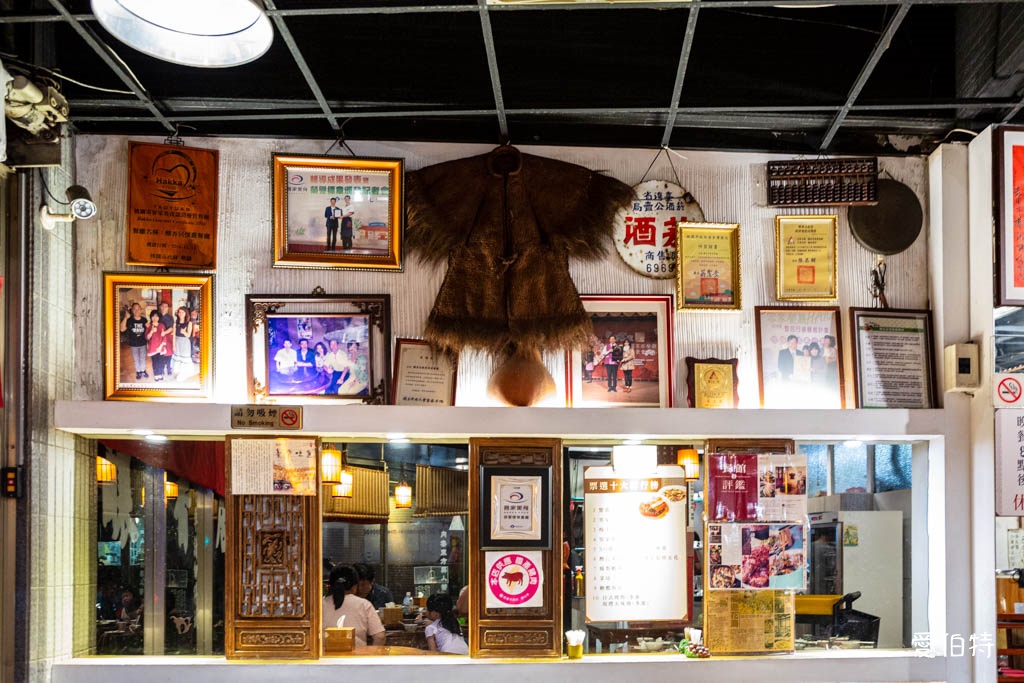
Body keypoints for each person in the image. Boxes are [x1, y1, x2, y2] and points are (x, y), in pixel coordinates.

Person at [321, 564, 386, 647]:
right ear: (355, 586)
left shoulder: (319, 605)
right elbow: (380, 637)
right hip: (356, 658)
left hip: (326, 659)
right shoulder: (363, 605)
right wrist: (371, 655)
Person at [119, 302, 149, 380]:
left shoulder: (144, 320)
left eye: (138, 309)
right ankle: (138, 371)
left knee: (142, 358)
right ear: (132, 310)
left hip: (143, 343)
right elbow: (122, 329)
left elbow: (148, 330)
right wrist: (125, 317)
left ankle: (143, 370)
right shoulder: (129, 320)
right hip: (133, 344)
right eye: (134, 309)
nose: (136, 310)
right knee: (136, 359)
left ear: (140, 310)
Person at [145, 310, 170, 382]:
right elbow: (147, 337)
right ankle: (156, 375)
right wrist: (151, 331)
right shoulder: (149, 326)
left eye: (156, 316)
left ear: (159, 317)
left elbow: (164, 337)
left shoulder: (162, 325)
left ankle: (160, 374)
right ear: (151, 317)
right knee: (155, 362)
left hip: (160, 348)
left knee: (161, 362)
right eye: (153, 316)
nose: (155, 318)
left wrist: (161, 346)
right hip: (152, 348)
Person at [171, 306, 195, 380]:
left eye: (182, 312)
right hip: (177, 342)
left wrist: (184, 332)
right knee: (178, 357)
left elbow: (188, 335)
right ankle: (178, 372)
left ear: (186, 313)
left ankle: (183, 374)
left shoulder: (189, 323)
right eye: (179, 312)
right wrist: (173, 345)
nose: (180, 314)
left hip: (185, 343)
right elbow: (174, 335)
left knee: (184, 358)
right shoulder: (175, 323)